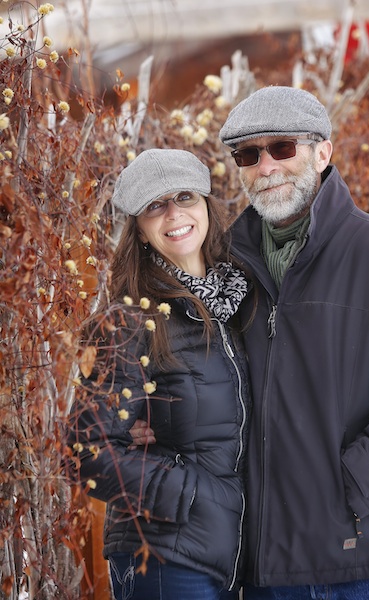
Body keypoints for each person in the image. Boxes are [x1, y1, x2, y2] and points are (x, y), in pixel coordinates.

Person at [215, 86, 369, 599]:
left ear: (323, 151)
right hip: (272, 567)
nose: (266, 167)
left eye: (282, 148)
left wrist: (360, 482)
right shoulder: (226, 268)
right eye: (249, 154)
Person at [67, 148, 252, 600]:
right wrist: (184, 493)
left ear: (207, 205)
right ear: (142, 231)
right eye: (155, 205)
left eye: (185, 197)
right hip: (167, 557)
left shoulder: (237, 300)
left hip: (228, 555)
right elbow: (84, 449)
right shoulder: (134, 318)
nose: (174, 214)